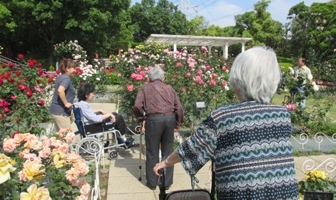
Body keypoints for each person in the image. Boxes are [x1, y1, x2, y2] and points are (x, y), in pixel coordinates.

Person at [153, 47, 299, 199]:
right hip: (285, 194)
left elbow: (192, 148)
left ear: (239, 80)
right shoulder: (282, 115)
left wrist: (165, 163)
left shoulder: (224, 117)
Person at [133, 65, 184, 190]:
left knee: (152, 151)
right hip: (169, 119)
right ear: (163, 78)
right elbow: (179, 108)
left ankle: (152, 183)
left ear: (149, 78)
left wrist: (141, 118)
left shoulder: (145, 88)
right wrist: (178, 123)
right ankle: (166, 183)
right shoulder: (169, 88)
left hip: (154, 120)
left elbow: (137, 106)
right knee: (168, 150)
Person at [76, 83, 133, 148]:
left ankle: (119, 137)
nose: (93, 95)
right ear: (86, 95)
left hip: (90, 124)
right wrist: (109, 114)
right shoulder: (84, 105)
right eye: (92, 93)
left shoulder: (80, 103)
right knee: (119, 117)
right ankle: (122, 138)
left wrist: (99, 110)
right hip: (94, 125)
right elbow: (95, 118)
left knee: (114, 114)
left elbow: (88, 113)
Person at [49, 58, 77, 131]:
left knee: (60, 137)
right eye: (73, 68)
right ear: (67, 68)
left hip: (56, 110)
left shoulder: (61, 77)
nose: (74, 70)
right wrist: (66, 103)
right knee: (68, 137)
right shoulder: (66, 79)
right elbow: (60, 90)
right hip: (60, 112)